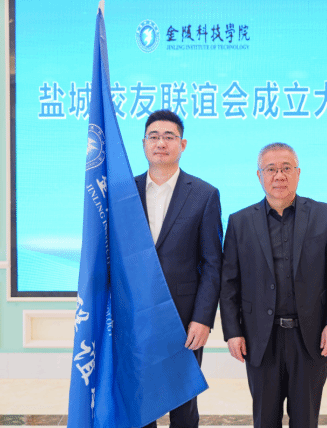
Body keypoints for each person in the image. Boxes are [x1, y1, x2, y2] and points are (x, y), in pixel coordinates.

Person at [220, 142, 327, 428]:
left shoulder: (324, 215)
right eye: (271, 169)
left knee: (305, 419)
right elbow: (229, 283)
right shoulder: (240, 222)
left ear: (298, 173)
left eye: (286, 168)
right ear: (259, 176)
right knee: (265, 420)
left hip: (310, 337)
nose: (279, 175)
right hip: (260, 338)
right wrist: (233, 332)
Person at [134, 110, 223, 428]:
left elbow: (212, 263)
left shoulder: (204, 194)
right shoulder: (123, 193)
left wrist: (203, 319)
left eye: (169, 136)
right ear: (144, 143)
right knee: (140, 402)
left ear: (182, 144)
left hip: (184, 319)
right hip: (135, 318)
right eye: (154, 136)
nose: (161, 143)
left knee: (183, 403)